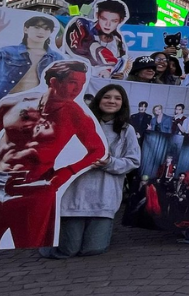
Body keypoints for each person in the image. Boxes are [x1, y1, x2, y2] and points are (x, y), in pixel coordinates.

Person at [0, 61, 106, 250]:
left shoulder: (76, 114)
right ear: (53, 81)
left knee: (32, 249)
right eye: (72, 82)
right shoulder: (14, 103)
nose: (78, 89)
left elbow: (98, 150)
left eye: (82, 84)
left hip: (35, 187)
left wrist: (67, 172)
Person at [40, 84, 141, 259]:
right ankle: (45, 242)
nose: (112, 101)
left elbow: (133, 161)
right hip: (74, 196)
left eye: (117, 98)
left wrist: (109, 162)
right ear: (99, 99)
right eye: (107, 97)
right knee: (68, 250)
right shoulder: (78, 123)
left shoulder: (126, 130)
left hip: (104, 197)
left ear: (123, 103)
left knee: (92, 249)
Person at [0, 12, 63, 102]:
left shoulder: (56, 59)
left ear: (51, 32)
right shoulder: (9, 52)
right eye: (36, 27)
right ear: (26, 29)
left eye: (46, 29)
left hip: (31, 106)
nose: (41, 32)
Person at [64, 0, 129, 79]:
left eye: (114, 21)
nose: (107, 24)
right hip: (74, 79)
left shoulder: (119, 42)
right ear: (97, 15)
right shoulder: (83, 27)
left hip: (101, 85)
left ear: (120, 21)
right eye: (104, 19)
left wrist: (116, 74)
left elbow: (117, 67)